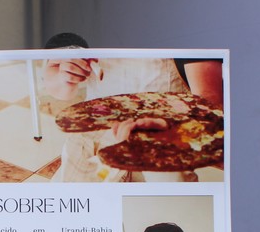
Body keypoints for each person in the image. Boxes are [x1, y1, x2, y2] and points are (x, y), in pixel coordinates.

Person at [42, 42, 223, 182]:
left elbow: (209, 100)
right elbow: (58, 89)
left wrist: (175, 126)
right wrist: (65, 76)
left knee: (168, 208)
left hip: (162, 144)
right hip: (93, 142)